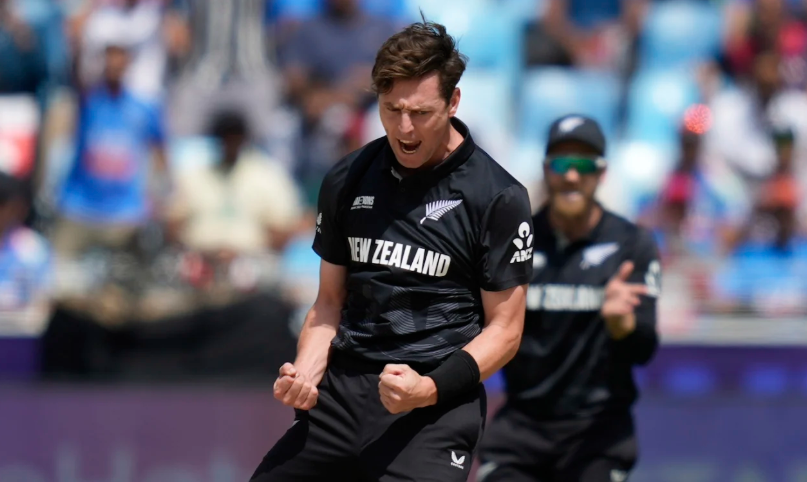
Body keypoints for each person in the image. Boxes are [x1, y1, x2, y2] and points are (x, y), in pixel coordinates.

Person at [251, 20, 534, 482]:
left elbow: (506, 330)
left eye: (421, 113)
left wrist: (428, 388)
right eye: (391, 109)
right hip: (341, 399)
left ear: (453, 101)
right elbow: (327, 306)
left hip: (433, 408)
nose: (404, 129)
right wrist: (304, 370)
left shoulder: (497, 197)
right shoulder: (347, 179)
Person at [477, 115, 661, 482]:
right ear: (546, 170)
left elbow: (645, 349)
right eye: (561, 163)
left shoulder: (632, 244)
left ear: (602, 173)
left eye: (583, 165)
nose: (572, 176)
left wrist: (622, 324)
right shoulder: (514, 241)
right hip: (521, 431)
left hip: (596, 435)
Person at [54, 41, 168, 259]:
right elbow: (75, 75)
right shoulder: (88, 101)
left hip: (125, 213)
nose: (114, 65)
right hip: (79, 207)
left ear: (128, 63)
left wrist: (158, 195)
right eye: (109, 59)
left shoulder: (144, 108)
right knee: (62, 278)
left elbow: (160, 152)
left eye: (119, 59)